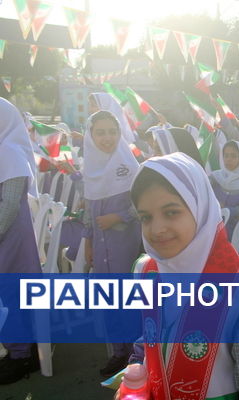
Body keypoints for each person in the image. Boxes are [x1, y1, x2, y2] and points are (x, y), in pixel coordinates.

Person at [128, 152, 239, 399]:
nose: (156, 229)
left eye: (171, 212)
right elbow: (147, 340)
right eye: (146, 217)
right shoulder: (146, 271)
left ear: (201, 210)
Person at [81, 110, 142, 377]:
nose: (107, 138)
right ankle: (119, 353)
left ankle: (136, 356)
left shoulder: (129, 165)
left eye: (113, 132)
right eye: (101, 132)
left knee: (129, 300)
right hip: (101, 247)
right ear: (90, 135)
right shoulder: (90, 168)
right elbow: (87, 212)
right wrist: (89, 243)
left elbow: (142, 205)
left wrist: (119, 216)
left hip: (125, 245)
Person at [0, 98, 41, 385]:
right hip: (6, 236)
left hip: (9, 236)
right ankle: (20, 351)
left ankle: (21, 356)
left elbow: (9, 205)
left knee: (11, 296)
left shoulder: (10, 153)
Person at [209, 141, 239, 261]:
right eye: (226, 155)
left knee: (235, 268)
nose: (228, 159)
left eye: (234, 156)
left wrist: (227, 210)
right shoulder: (216, 177)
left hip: (236, 232)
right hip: (214, 232)